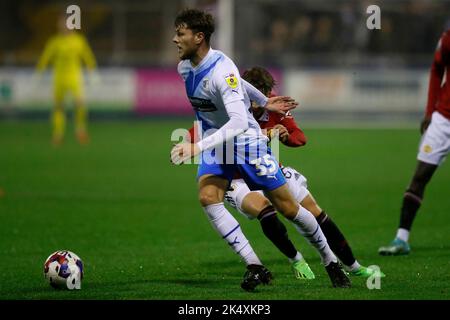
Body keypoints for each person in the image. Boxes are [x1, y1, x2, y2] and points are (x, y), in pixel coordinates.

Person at [170, 8, 350, 291]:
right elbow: (239, 84)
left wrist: (197, 147)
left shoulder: (221, 69)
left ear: (199, 37)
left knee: (289, 208)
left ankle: (330, 261)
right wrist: (264, 102)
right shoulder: (184, 68)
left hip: (246, 145)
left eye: (180, 33)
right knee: (208, 196)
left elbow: (241, 121)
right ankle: (254, 265)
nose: (174, 39)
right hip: (219, 147)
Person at [223, 66, 384, 278]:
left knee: (315, 211)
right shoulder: (230, 105)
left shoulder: (274, 104)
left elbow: (300, 136)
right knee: (266, 211)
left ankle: (353, 266)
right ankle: (296, 260)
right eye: (256, 92)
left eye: (264, 93)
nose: (259, 100)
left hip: (266, 168)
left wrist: (285, 137)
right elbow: (210, 134)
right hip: (235, 178)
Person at [379, 29, 450, 256]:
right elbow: (437, 68)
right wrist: (430, 111)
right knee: (419, 177)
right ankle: (401, 239)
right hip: (443, 119)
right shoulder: (448, 37)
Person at [35, 15, 98, 145]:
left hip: (74, 77)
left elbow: (87, 56)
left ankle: (80, 130)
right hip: (59, 78)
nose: (64, 26)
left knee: (80, 104)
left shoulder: (79, 40)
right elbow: (45, 57)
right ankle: (58, 134)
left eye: (66, 24)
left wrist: (93, 71)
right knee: (58, 107)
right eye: (61, 24)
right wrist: (39, 72)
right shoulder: (54, 41)